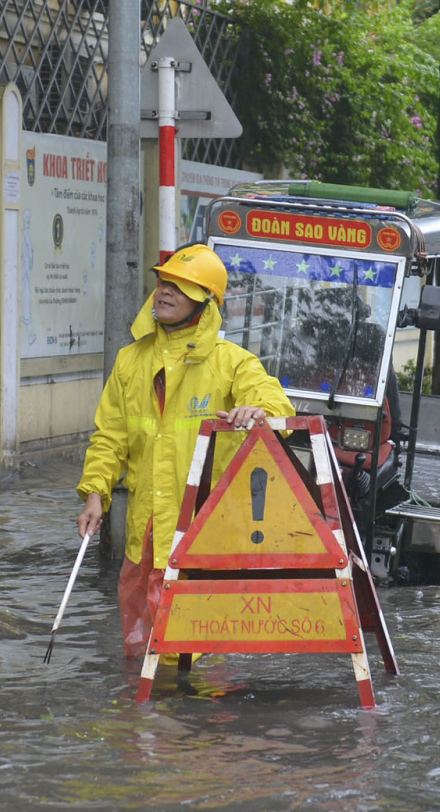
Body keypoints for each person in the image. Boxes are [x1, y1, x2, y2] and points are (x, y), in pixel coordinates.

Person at [75, 244, 293, 660]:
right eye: (162, 282)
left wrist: (258, 411)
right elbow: (110, 437)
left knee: (202, 659)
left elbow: (275, 404)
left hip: (204, 536)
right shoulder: (129, 362)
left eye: (181, 285)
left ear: (206, 303)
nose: (165, 291)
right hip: (145, 537)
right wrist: (94, 493)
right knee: (140, 656)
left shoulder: (232, 363)